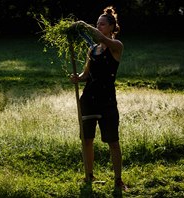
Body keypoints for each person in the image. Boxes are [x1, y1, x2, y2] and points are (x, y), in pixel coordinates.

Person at [70, 6, 128, 191]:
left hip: (107, 100)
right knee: (86, 139)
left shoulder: (116, 46)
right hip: (88, 99)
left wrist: (84, 26)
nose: (99, 26)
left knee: (113, 141)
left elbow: (101, 38)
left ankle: (118, 179)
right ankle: (89, 176)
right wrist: (78, 78)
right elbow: (87, 74)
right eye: (97, 24)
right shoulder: (92, 50)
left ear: (112, 27)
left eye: (102, 24)